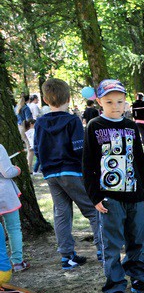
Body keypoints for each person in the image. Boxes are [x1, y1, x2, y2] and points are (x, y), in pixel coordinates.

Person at [83, 79, 144, 293]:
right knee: (113, 242)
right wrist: (95, 196)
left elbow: (140, 161)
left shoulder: (131, 126)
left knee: (137, 239)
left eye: (119, 101)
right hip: (110, 197)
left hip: (134, 195)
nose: (115, 106)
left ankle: (139, 278)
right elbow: (88, 164)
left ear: (126, 102)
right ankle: (115, 285)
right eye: (109, 102)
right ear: (99, 102)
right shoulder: (94, 126)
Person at [34, 78, 102, 269]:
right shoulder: (72, 121)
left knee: (61, 214)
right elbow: (80, 148)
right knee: (93, 210)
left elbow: (37, 148)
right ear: (69, 97)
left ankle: (67, 256)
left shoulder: (39, 123)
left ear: (46, 100)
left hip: (51, 174)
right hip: (71, 171)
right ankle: (102, 250)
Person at [0, 143, 28, 272]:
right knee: (13, 228)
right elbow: (7, 172)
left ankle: (3, 265)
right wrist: (17, 169)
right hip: (4, 193)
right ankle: (17, 262)